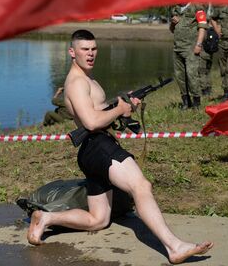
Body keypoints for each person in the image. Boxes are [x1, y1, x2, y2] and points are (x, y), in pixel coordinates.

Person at [27, 30, 213, 263]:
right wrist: (118, 109)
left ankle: (45, 218)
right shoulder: (76, 83)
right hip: (98, 146)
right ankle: (174, 247)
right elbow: (92, 122)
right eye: (85, 49)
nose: (91, 54)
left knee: (99, 220)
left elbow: (99, 113)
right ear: (72, 52)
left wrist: (124, 107)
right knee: (141, 186)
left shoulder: (88, 80)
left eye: (94, 49)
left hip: (92, 150)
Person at [169, 3, 208, 109]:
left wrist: (199, 44)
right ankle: (186, 102)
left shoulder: (197, 7)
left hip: (191, 48)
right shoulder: (175, 9)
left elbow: (202, 27)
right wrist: (173, 23)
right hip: (177, 48)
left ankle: (196, 102)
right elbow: (172, 30)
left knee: (192, 75)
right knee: (180, 76)